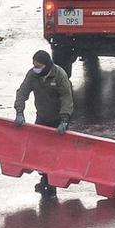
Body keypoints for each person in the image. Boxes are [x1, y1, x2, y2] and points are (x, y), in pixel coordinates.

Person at [14, 50, 74, 196]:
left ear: (47, 66)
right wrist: (19, 112)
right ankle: (45, 179)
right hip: (42, 116)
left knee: (55, 152)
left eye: (39, 66)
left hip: (58, 118)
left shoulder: (60, 75)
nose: (36, 68)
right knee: (40, 150)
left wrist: (64, 119)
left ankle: (51, 182)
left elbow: (67, 98)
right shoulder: (32, 75)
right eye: (34, 65)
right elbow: (22, 92)